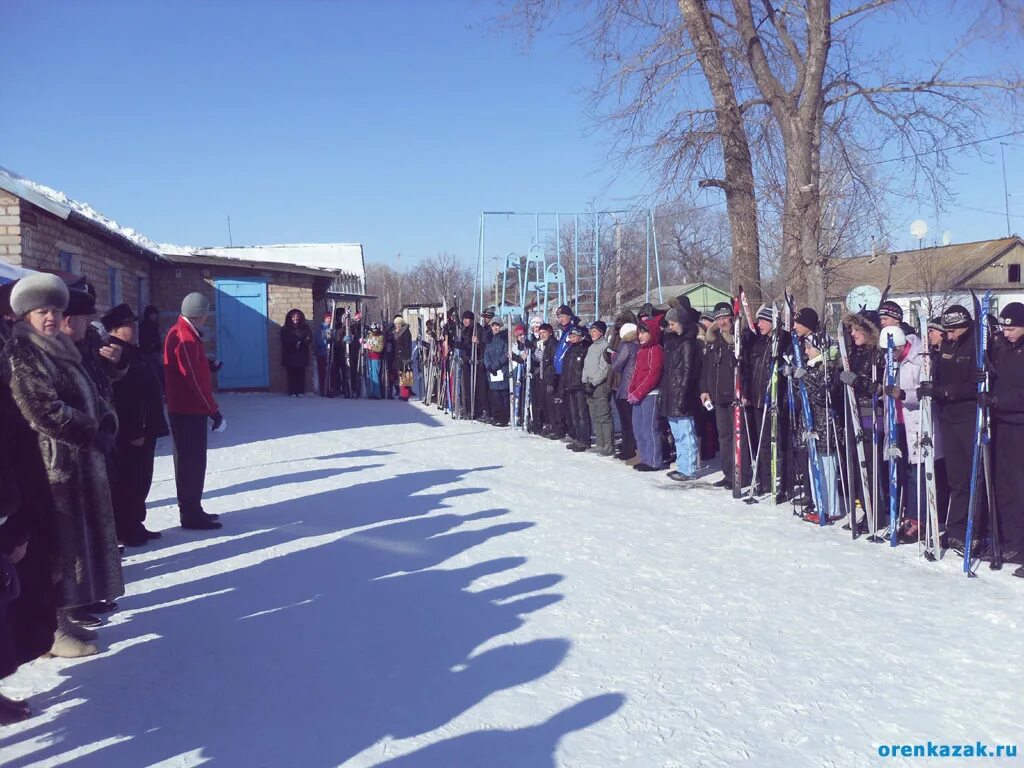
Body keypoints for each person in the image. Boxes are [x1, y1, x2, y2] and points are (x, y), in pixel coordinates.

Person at [6, 273, 124, 657]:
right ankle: (52, 630)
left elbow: (88, 391)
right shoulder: (25, 352)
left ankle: (66, 615)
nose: (52, 318)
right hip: (49, 467)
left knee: (76, 544)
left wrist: (105, 420)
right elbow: (41, 408)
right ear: (26, 315)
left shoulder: (59, 347)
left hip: (78, 464)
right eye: (43, 311)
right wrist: (90, 431)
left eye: (56, 310)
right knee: (56, 550)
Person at [104, 303, 170, 547]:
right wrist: (135, 429)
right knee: (130, 481)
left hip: (146, 426)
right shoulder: (113, 352)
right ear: (114, 330)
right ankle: (126, 528)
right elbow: (123, 398)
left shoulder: (132, 350)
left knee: (142, 479)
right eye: (128, 325)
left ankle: (136, 523)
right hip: (133, 431)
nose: (134, 328)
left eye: (133, 324)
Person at [164, 292, 225, 531]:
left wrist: (207, 365)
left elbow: (192, 369)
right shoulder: (184, 336)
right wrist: (213, 411)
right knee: (190, 463)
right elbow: (193, 381)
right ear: (200, 315)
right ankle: (189, 514)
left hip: (189, 409)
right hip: (188, 411)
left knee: (194, 462)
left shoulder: (186, 333)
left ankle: (193, 508)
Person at [928, 304, 978, 552]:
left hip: (968, 418)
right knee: (956, 477)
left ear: (963, 326)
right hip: (949, 418)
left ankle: (976, 529)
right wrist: (935, 389)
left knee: (972, 477)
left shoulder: (976, 344)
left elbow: (973, 384)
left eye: (951, 331)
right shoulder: (948, 345)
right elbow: (942, 375)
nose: (947, 336)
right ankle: (956, 528)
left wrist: (947, 391)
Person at [989, 302, 1024, 575]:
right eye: (1004, 328)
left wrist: (999, 400)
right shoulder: (1005, 348)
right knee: (1006, 486)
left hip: (1019, 424)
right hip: (1002, 424)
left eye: (1011, 328)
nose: (1006, 332)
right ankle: (1012, 542)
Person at [701, 302, 747, 490]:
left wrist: (744, 391)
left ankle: (741, 474)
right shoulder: (713, 342)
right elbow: (705, 369)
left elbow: (745, 368)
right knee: (724, 437)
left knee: (739, 437)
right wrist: (704, 390)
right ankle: (728, 473)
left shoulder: (740, 339)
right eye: (718, 318)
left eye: (725, 318)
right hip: (718, 396)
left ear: (731, 317)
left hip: (735, 396)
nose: (722, 322)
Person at [661, 308, 702, 481]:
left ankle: (689, 468)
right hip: (671, 390)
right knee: (677, 434)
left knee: (686, 433)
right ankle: (682, 464)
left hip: (682, 392)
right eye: (669, 325)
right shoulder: (671, 341)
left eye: (673, 324)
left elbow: (687, 370)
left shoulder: (688, 343)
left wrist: (683, 394)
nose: (671, 328)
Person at [628, 318, 664, 472]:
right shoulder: (641, 351)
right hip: (637, 395)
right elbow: (635, 373)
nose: (641, 336)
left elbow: (653, 375)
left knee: (649, 428)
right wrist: (630, 390)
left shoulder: (656, 350)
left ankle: (654, 461)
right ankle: (644, 457)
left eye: (644, 332)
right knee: (638, 428)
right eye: (639, 333)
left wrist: (639, 392)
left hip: (650, 394)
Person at [609, 320, 639, 462]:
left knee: (626, 421)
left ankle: (628, 449)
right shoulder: (638, 345)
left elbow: (616, 365)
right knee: (632, 420)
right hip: (634, 386)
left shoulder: (626, 345)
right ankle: (631, 447)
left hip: (626, 386)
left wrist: (613, 357)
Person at [582, 321, 613, 455]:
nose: (592, 333)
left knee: (603, 416)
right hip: (589, 385)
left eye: (595, 331)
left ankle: (609, 444)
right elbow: (586, 366)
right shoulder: (591, 347)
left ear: (601, 332)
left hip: (600, 386)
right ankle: (600, 443)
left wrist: (593, 382)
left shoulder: (605, 347)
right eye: (591, 331)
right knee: (594, 415)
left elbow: (604, 368)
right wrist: (584, 381)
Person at [562, 325, 592, 452]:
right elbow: (565, 369)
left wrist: (586, 384)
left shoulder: (584, 349)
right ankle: (578, 438)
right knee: (574, 415)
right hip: (570, 386)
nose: (572, 338)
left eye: (574, 336)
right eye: (571, 336)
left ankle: (584, 440)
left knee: (582, 414)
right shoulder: (570, 350)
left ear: (580, 336)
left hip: (580, 386)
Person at [482, 317, 510, 426]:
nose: (495, 328)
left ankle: (504, 418)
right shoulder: (489, 340)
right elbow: (486, 354)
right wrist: (488, 365)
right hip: (492, 373)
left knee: (503, 396)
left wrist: (496, 365)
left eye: (497, 325)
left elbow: (506, 355)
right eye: (493, 326)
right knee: (495, 396)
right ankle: (496, 416)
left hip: (502, 371)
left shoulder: (504, 339)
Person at [280, 308, 312, 397]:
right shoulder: (285, 328)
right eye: (294, 317)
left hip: (301, 354)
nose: (295, 319)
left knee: (301, 374)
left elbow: (309, 338)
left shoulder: (305, 327)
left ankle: (300, 391)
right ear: (290, 318)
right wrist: (294, 343)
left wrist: (302, 343)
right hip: (290, 354)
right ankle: (292, 391)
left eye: (297, 317)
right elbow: (284, 340)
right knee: (291, 374)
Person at [138, 305, 163, 384]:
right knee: (156, 373)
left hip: (153, 353)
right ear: (149, 315)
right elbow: (144, 340)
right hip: (149, 354)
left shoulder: (152, 325)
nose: (154, 316)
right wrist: (153, 345)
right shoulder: (145, 325)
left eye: (155, 314)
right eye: (153, 314)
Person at [392, 315, 413, 400]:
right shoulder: (397, 332)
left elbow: (407, 345)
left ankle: (405, 394)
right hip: (399, 356)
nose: (397, 326)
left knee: (406, 375)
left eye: (398, 324)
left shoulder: (405, 332)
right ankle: (402, 393)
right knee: (401, 375)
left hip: (404, 356)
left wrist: (407, 356)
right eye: (396, 324)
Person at [362, 323, 385, 399]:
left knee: (375, 375)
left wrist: (370, 347)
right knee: (369, 375)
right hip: (368, 357)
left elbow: (379, 349)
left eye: (375, 331)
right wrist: (363, 342)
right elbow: (366, 341)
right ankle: (370, 393)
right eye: (373, 331)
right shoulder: (369, 335)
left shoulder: (381, 337)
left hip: (376, 358)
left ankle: (376, 393)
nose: (374, 332)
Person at [315, 311, 333, 396]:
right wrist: (326, 343)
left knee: (330, 373)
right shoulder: (321, 328)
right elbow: (319, 341)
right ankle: (323, 389)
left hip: (330, 354)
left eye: (330, 318)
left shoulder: (332, 328)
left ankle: (329, 388)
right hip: (322, 354)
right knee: (322, 372)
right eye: (328, 318)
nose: (329, 320)